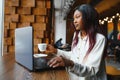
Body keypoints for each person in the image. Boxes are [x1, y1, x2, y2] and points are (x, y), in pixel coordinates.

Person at [46, 4, 107, 80]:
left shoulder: (99, 39)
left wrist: (70, 63)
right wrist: (55, 50)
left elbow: (92, 70)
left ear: (88, 18)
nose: (74, 21)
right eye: (73, 18)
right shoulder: (76, 35)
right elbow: (74, 55)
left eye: (77, 17)